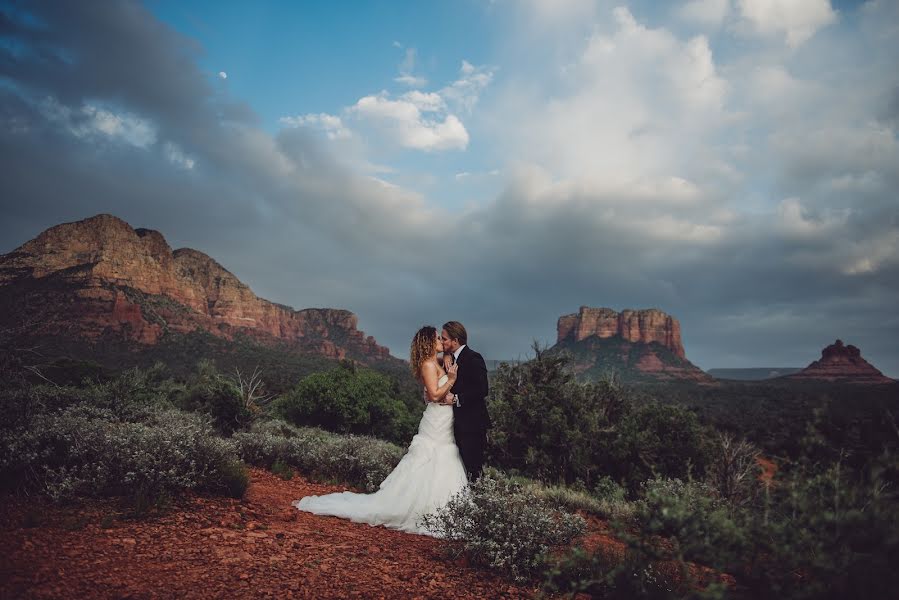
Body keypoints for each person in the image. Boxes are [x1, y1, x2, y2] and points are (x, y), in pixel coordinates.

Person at [291, 326, 469, 536]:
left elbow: (439, 379)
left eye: (442, 338)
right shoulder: (428, 365)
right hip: (435, 419)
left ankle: (445, 508)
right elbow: (435, 395)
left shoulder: (437, 361)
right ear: (428, 343)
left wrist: (448, 357)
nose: (441, 340)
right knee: (427, 458)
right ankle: (417, 508)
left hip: (444, 419)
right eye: (437, 338)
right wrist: (450, 380)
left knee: (445, 457)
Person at [440, 321, 491, 482]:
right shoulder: (450, 358)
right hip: (454, 424)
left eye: (444, 339)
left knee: (473, 468)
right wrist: (446, 354)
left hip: (472, 425)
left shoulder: (474, 358)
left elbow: (482, 389)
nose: (441, 342)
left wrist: (456, 398)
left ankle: (478, 503)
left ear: (455, 341)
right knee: (459, 469)